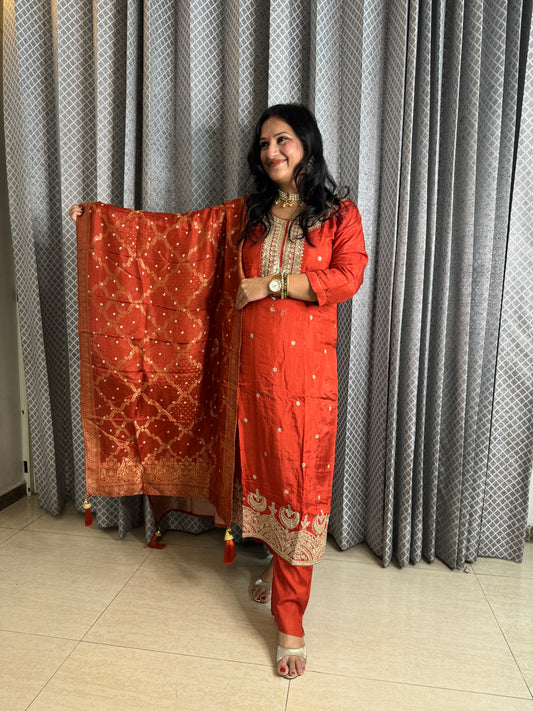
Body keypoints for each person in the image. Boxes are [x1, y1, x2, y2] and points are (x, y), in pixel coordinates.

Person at [70, 103, 367, 679]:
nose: (272, 152)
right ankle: (273, 568)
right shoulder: (248, 215)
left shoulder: (337, 214)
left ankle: (290, 624)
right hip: (246, 372)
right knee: (253, 475)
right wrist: (102, 222)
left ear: (307, 143)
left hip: (305, 379)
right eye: (263, 145)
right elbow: (177, 237)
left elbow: (348, 278)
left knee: (297, 483)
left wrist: (272, 283)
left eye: (283, 140)